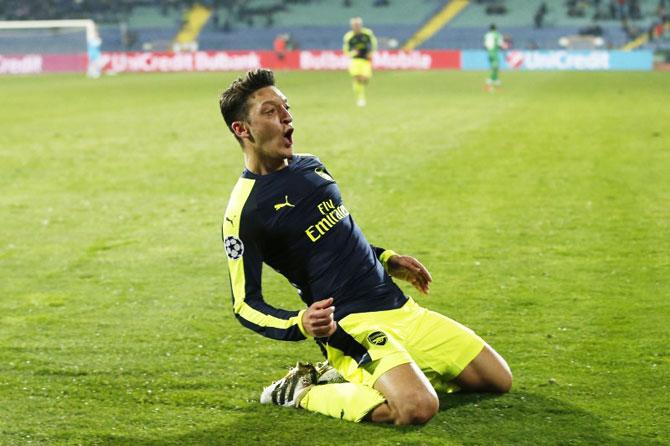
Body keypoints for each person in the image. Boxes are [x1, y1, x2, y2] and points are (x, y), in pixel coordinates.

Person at [218, 69, 512, 425]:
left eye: (286, 107)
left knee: (497, 379)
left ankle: (381, 371)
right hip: (350, 323)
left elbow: (339, 235)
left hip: (400, 308)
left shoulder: (311, 166)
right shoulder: (244, 211)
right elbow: (245, 304)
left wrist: (388, 259)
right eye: (270, 111)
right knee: (416, 407)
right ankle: (301, 392)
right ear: (241, 129)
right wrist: (300, 323)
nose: (286, 116)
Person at [342, 17, 377, 107]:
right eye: (354, 25)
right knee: (357, 78)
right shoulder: (349, 36)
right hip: (355, 60)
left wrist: (371, 53)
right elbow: (345, 50)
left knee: (364, 79)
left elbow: (374, 44)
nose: (356, 26)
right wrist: (352, 53)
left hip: (365, 60)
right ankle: (360, 98)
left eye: (358, 25)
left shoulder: (367, 34)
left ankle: (359, 93)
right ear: (352, 26)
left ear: (361, 25)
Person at [484, 24, 507, 92]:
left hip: (489, 53)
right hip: (494, 53)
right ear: (495, 29)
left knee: (495, 69)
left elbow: (485, 45)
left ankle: (497, 86)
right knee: (495, 68)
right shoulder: (497, 34)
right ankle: (488, 84)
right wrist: (504, 46)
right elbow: (500, 44)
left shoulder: (487, 35)